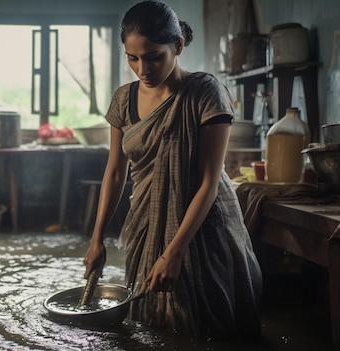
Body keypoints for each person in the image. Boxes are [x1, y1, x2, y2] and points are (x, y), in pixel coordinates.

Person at [82, 1, 262, 338]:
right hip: (146, 221)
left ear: (177, 46)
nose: (142, 69)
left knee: (209, 325)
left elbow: (210, 181)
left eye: (153, 57)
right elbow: (116, 173)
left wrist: (176, 251)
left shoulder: (205, 93)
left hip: (202, 227)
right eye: (132, 58)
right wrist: (97, 239)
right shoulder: (123, 100)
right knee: (150, 321)